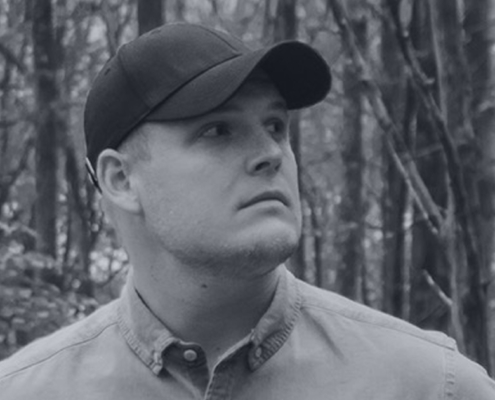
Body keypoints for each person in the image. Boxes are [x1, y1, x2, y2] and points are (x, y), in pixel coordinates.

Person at [0, 22, 494, 400]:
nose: (271, 153)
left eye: (276, 126)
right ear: (121, 180)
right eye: (217, 130)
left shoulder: (432, 387)